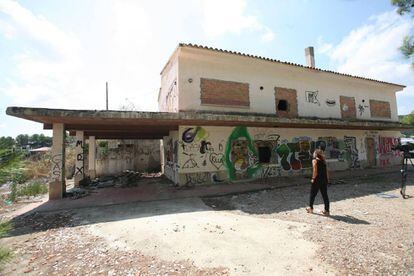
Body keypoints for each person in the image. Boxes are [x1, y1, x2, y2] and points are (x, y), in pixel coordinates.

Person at [306, 149, 330, 216]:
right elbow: (326, 171)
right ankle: (327, 211)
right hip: (324, 180)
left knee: (312, 194)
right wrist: (327, 179)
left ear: (315, 154)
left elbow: (315, 171)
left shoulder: (314, 160)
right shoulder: (323, 161)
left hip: (317, 180)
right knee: (325, 195)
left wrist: (313, 178)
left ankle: (310, 208)